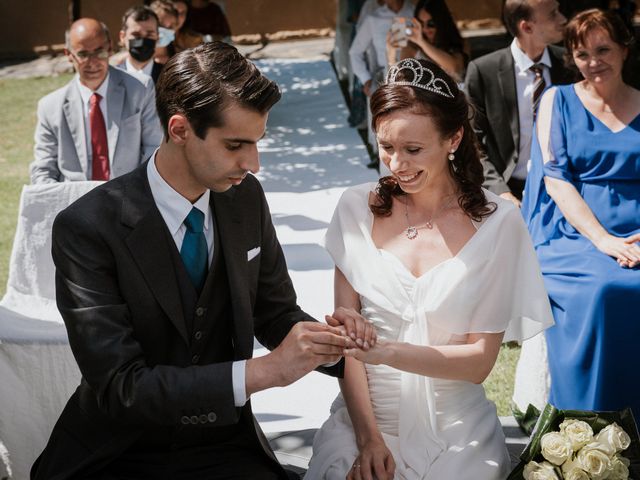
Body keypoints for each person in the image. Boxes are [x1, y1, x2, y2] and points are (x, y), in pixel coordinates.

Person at [30, 41, 375, 480]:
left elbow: (273, 311)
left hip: (226, 446)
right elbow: (121, 389)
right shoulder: (87, 227)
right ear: (179, 129)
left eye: (257, 142)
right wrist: (265, 372)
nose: (253, 163)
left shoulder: (244, 198)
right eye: (235, 144)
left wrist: (331, 345)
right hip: (119, 454)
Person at [306, 58, 554, 480]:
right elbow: (346, 347)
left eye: (413, 150)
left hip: (456, 429)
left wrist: (385, 352)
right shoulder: (354, 208)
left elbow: (479, 362)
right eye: (386, 147)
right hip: (364, 421)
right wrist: (368, 441)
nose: (396, 164)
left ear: (454, 138)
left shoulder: (498, 226)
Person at [521, 8, 640, 425]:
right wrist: (603, 241)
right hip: (574, 232)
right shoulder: (558, 100)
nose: (594, 62)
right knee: (605, 290)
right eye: (582, 53)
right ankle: (590, 422)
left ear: (625, 49)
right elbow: (557, 181)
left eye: (603, 49)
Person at [464, 0, 573, 206]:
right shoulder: (483, 71)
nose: (563, 19)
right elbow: (472, 143)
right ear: (527, 27)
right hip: (507, 189)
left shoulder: (569, 64)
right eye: (553, 14)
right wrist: (500, 192)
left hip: (564, 188)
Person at [30, 18, 162, 184]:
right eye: (83, 54)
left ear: (110, 48)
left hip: (128, 196)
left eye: (99, 52)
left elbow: (154, 149)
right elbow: (43, 168)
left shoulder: (140, 89)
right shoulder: (50, 107)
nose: (93, 63)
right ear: (69, 55)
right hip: (75, 203)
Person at [387, 0, 467, 83]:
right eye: (421, 23)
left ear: (441, 22)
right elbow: (401, 79)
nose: (425, 29)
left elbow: (453, 68)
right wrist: (391, 54)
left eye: (431, 23)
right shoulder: (412, 46)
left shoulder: (455, 43)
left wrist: (421, 42)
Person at [117, 6, 164, 84]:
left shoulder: (169, 76)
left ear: (157, 38)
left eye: (149, 35)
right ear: (123, 37)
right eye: (136, 35)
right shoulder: (110, 77)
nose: (142, 41)